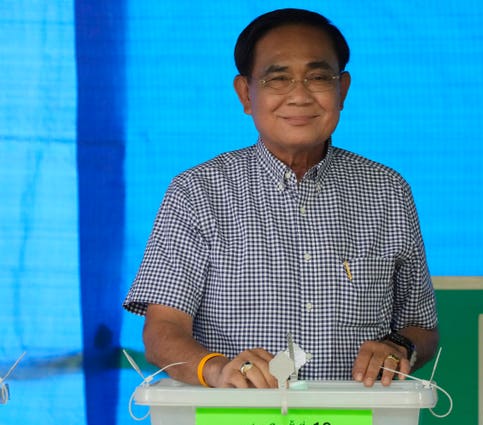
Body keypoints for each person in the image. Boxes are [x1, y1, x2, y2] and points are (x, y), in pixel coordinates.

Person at [123, 8, 439, 389]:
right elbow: (162, 333)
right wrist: (218, 368)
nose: (300, 96)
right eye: (279, 79)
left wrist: (398, 346)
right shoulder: (197, 192)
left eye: (319, 77)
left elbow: (422, 328)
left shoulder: (387, 191)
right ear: (245, 94)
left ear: (343, 90)